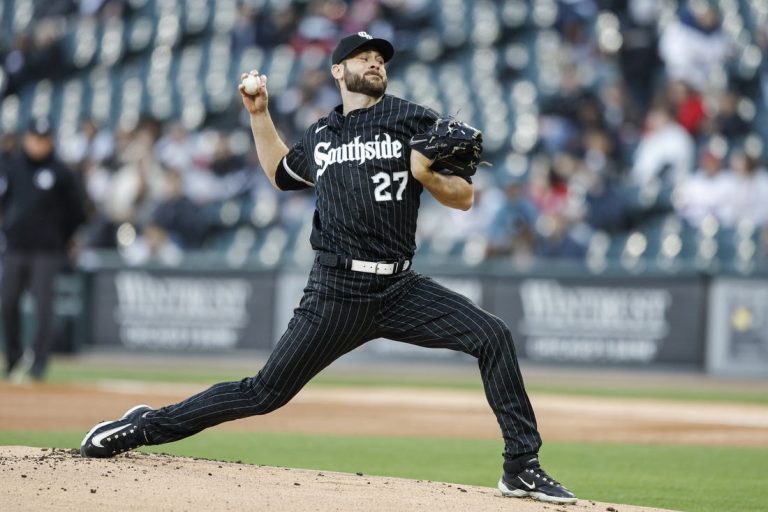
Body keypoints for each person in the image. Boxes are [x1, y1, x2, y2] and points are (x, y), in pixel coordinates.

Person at [79, 33, 577, 504]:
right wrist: (259, 113)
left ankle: (520, 465)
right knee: (262, 393)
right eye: (363, 56)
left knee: (491, 336)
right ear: (338, 70)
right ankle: (146, 426)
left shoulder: (412, 119)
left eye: (380, 57)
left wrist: (427, 172)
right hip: (336, 291)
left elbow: (464, 197)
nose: (376, 61)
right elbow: (280, 173)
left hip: (399, 286)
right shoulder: (322, 134)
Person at [0, 117, 86, 379]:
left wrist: (62, 237)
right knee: (7, 302)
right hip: (16, 247)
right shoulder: (13, 168)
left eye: (44, 139)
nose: (39, 144)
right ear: (27, 139)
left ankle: (39, 363)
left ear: (50, 141)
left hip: (47, 250)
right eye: (35, 139)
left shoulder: (61, 172)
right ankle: (13, 357)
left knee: (43, 305)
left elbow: (77, 212)